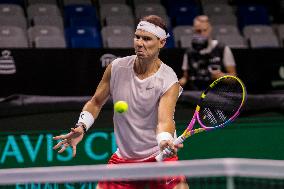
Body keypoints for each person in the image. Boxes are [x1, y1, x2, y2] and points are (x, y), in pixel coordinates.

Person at [53, 15, 189, 189]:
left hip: (160, 155)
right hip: (125, 159)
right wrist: (82, 126)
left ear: (161, 42)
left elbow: (165, 121)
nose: (139, 43)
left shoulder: (169, 79)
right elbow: (95, 102)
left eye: (147, 39)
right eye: (137, 37)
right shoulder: (117, 67)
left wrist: (164, 141)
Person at [179, 15, 237, 90]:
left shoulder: (222, 48)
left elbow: (233, 78)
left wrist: (220, 76)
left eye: (205, 30)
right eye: (198, 31)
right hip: (196, 94)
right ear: (194, 31)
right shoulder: (189, 52)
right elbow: (185, 77)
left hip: (217, 94)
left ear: (210, 29)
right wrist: (178, 84)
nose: (202, 34)